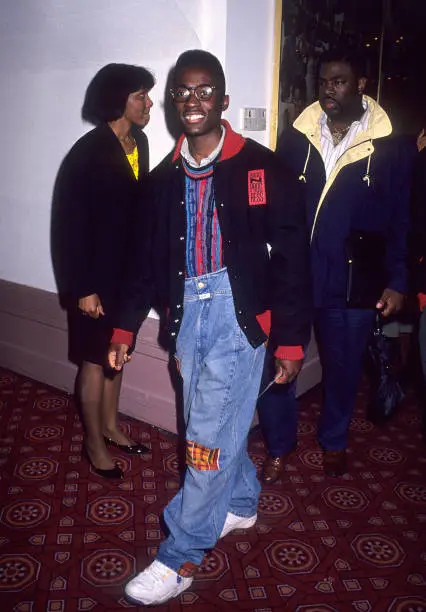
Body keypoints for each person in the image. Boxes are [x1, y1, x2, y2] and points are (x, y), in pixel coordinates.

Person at [108, 49, 312, 605]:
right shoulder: (161, 181)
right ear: (174, 103)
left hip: (237, 317)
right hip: (184, 316)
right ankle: (242, 505)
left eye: (204, 91)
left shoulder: (261, 168)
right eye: (182, 92)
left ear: (222, 100)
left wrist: (291, 340)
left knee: (202, 440)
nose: (192, 101)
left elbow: (293, 257)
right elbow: (143, 263)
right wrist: (125, 329)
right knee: (217, 424)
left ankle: (181, 555)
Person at [258, 45, 413, 481]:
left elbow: (402, 217)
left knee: (343, 368)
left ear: (361, 85)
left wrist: (398, 279)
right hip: (293, 276)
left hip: (352, 280)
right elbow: (274, 204)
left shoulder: (390, 146)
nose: (328, 89)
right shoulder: (296, 137)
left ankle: (334, 439)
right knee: (279, 363)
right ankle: (279, 445)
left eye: (339, 81)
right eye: (323, 81)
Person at [51, 63, 155, 479]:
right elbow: (67, 226)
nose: (149, 103)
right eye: (140, 96)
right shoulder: (87, 152)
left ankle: (111, 426)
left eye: (147, 95)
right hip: (93, 279)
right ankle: (93, 442)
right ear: (118, 100)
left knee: (118, 351)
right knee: (94, 361)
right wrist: (83, 287)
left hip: (127, 276)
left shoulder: (140, 141)